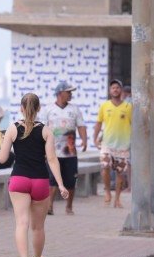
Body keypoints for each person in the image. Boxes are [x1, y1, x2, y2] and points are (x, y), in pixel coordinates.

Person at [0, 93, 69, 257]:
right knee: (38, 227)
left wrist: (1, 143)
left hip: (19, 180)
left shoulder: (12, 129)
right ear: (38, 109)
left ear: (21, 108)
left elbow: (2, 158)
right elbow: (52, 160)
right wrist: (60, 185)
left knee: (21, 223)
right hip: (40, 181)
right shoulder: (46, 131)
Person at [39, 80, 87, 215]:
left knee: (71, 181)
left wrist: (84, 140)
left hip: (70, 152)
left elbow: (81, 126)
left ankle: (69, 206)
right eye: (68, 92)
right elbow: (42, 129)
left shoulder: (74, 109)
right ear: (60, 93)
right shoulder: (48, 110)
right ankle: (49, 207)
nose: (71, 94)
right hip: (52, 152)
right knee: (52, 180)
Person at [93, 79, 132, 208]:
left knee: (120, 173)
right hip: (107, 144)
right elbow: (99, 123)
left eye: (117, 87)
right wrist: (95, 138)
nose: (115, 89)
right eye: (113, 88)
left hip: (123, 146)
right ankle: (107, 192)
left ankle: (118, 199)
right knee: (105, 168)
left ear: (121, 90)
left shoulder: (128, 107)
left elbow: (134, 124)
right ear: (110, 91)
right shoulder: (104, 106)